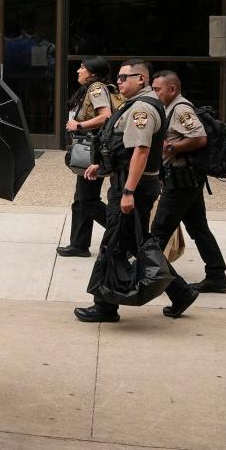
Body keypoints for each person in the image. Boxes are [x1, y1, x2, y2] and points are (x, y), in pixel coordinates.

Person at [74, 60, 197, 323]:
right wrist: (103, 166)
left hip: (133, 188)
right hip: (130, 183)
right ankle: (180, 291)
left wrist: (128, 190)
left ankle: (105, 306)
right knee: (134, 242)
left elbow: (141, 151)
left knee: (113, 243)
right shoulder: (137, 104)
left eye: (123, 77)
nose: (118, 82)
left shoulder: (141, 108)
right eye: (117, 78)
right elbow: (125, 148)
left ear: (141, 79)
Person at [150, 70, 226, 294]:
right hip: (186, 179)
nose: (155, 93)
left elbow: (199, 137)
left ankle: (142, 276)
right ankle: (216, 275)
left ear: (172, 89)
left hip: (181, 180)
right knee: (198, 228)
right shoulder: (170, 107)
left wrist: (171, 147)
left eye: (158, 89)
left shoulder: (181, 108)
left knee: (159, 231)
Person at [57, 57, 115, 257]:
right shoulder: (89, 89)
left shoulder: (96, 88)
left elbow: (106, 116)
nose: (78, 71)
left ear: (92, 72)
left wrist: (79, 125)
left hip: (92, 151)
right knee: (80, 200)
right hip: (87, 149)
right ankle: (79, 244)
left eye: (82, 68)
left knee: (88, 200)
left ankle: (123, 234)